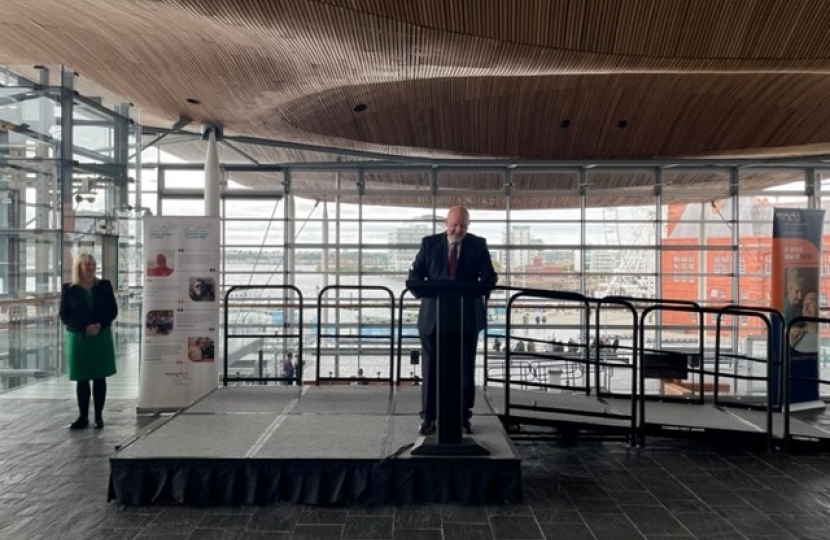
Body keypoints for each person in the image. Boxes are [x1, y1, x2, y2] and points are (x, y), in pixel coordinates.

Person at [408, 206, 497, 436]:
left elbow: (490, 277)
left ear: (469, 226)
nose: (458, 230)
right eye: (454, 225)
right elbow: (415, 277)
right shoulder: (429, 244)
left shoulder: (478, 244)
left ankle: (463, 417)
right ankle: (428, 417)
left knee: (466, 368)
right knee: (430, 368)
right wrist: (430, 292)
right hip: (433, 318)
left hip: (466, 317)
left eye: (463, 226)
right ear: (446, 223)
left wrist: (473, 291)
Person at [59, 251, 118, 429]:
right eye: (87, 265)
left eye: (93, 264)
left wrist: (98, 325)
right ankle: (83, 417)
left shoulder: (104, 285)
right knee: (82, 378)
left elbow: (112, 311)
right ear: (79, 267)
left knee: (100, 377)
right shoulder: (69, 288)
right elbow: (64, 314)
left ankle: (98, 417)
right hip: (79, 338)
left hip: (101, 336)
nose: (91, 268)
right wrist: (85, 327)